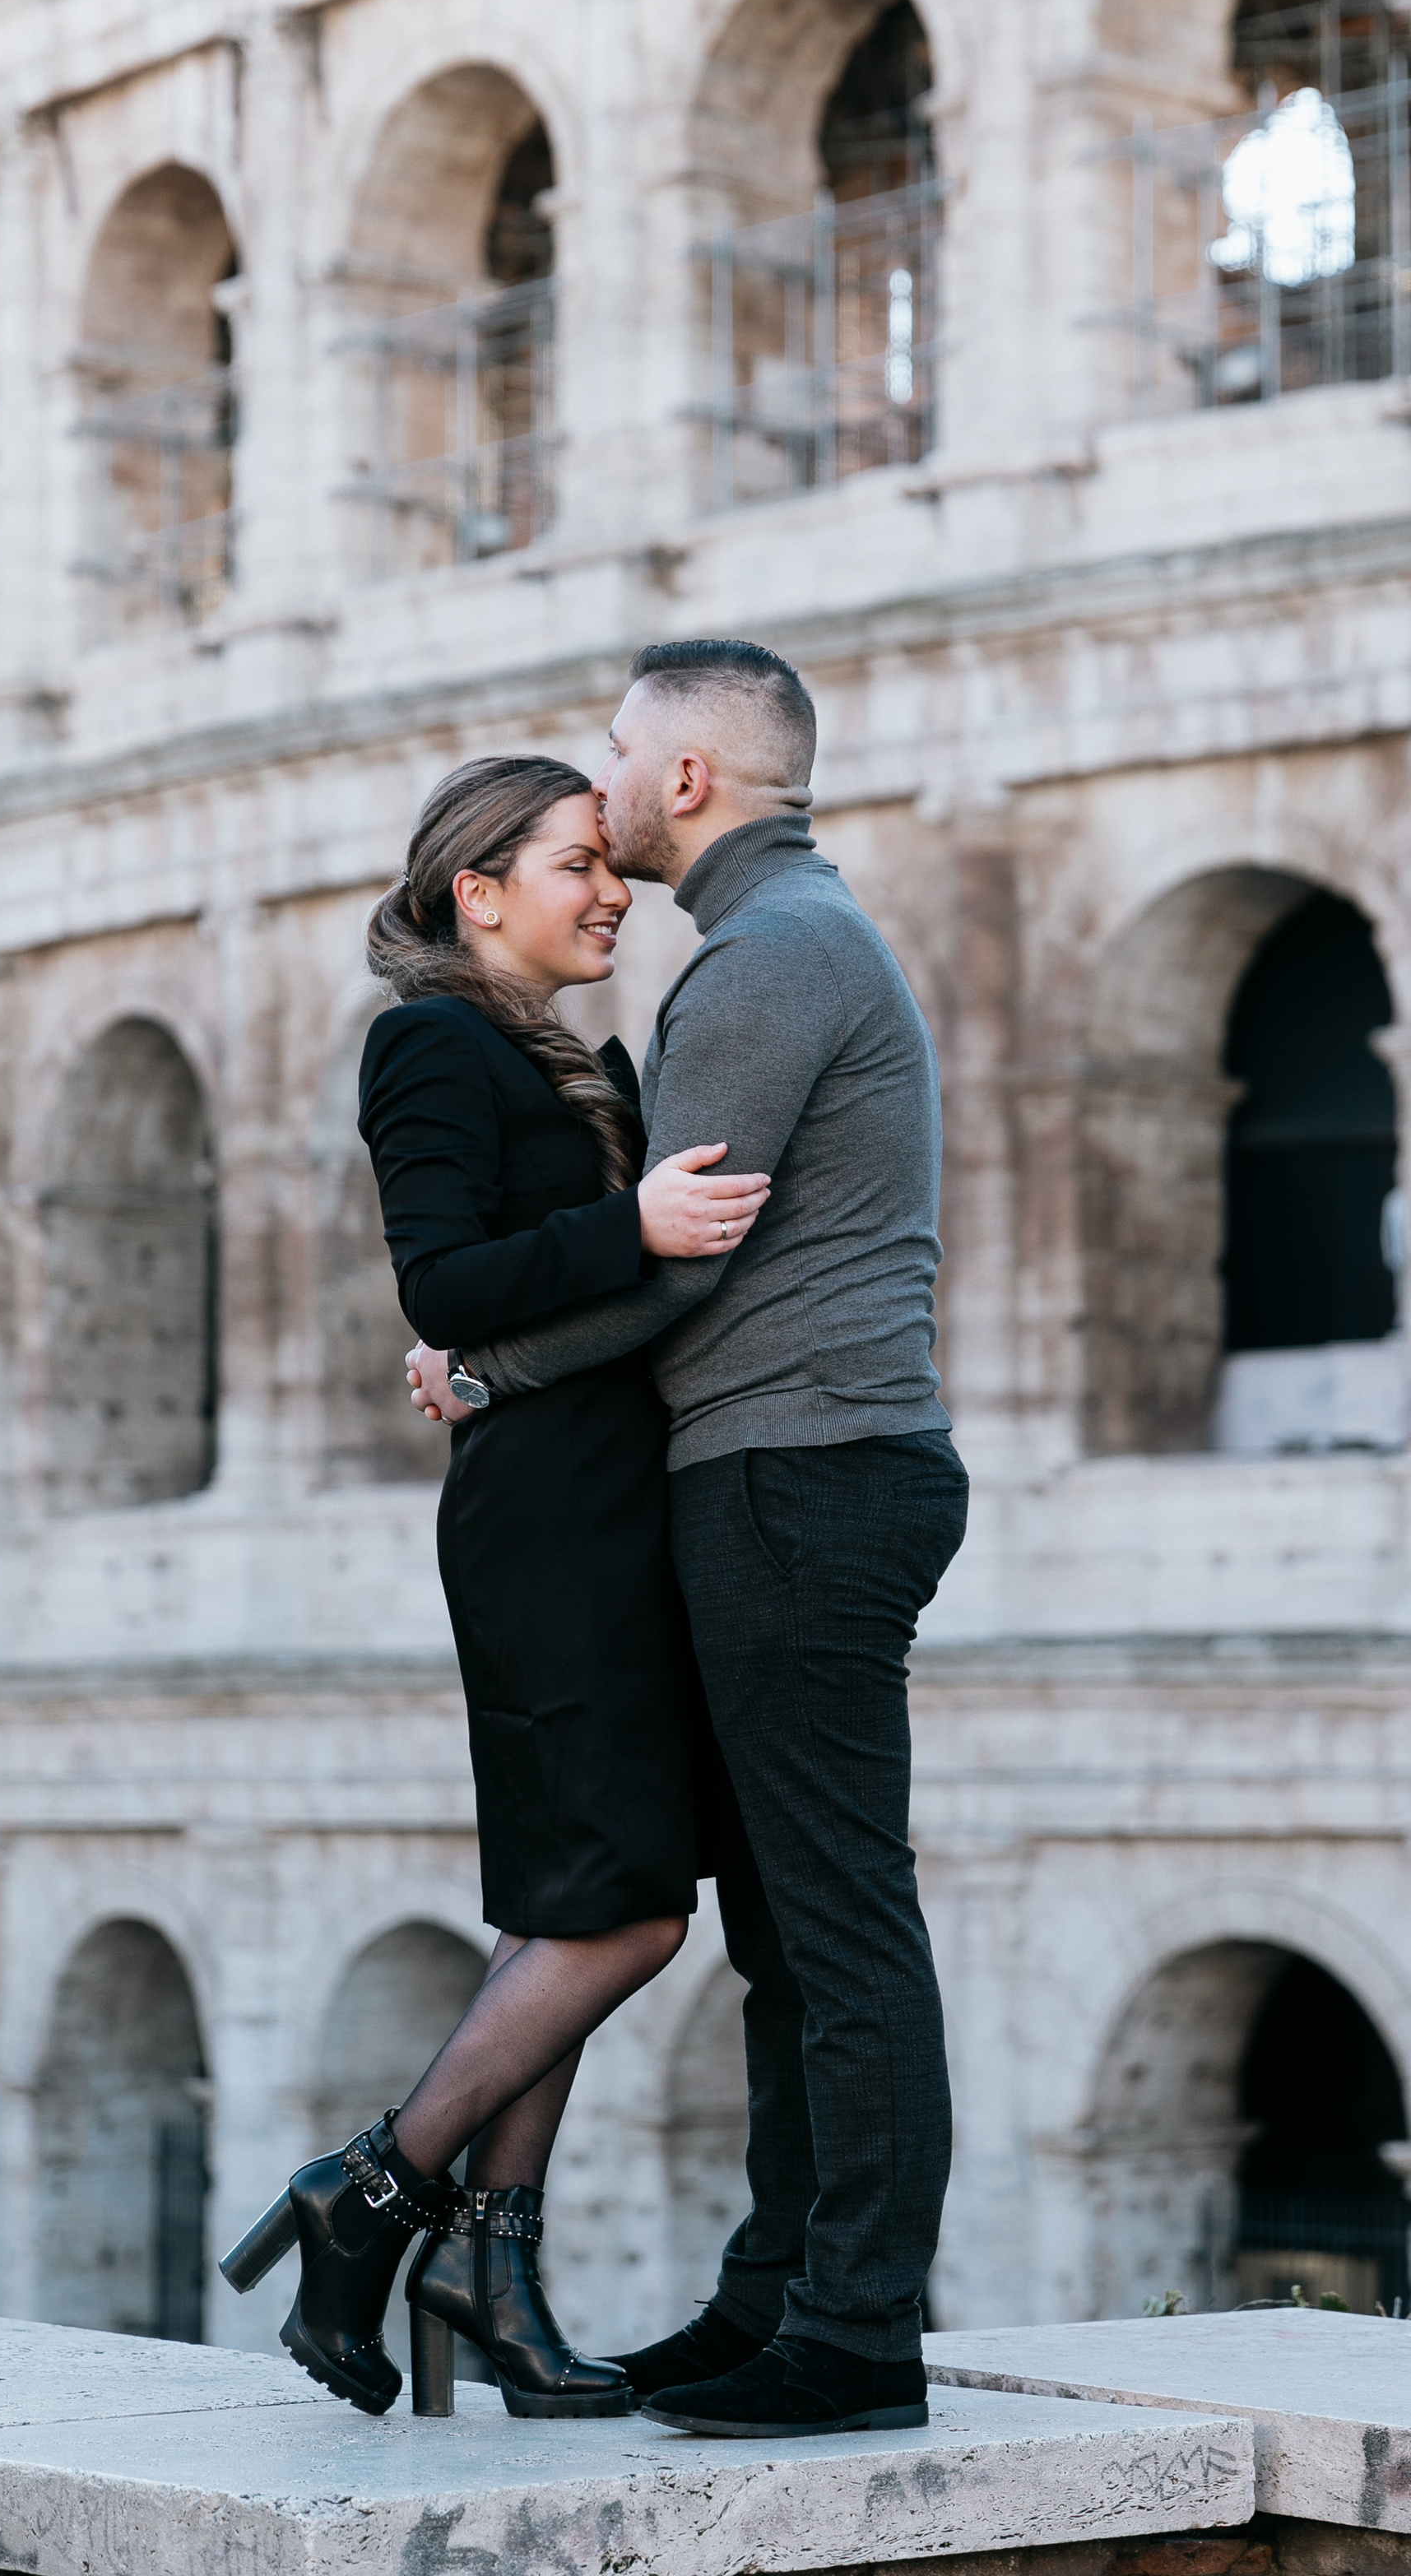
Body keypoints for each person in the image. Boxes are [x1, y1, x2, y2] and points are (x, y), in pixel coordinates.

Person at [406, 640, 968, 2441]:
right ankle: (772, 2304)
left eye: (622, 762)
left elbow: (679, 1261)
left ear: (690, 782)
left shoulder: (760, 966)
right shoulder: (792, 946)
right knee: (791, 1933)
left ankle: (855, 2330)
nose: (608, 787)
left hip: (796, 1475)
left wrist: (483, 1363)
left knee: (836, 1924)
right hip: (798, 1471)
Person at [220, 754, 770, 2421]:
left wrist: (522, 1332)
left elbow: (488, 1324)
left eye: (613, 867)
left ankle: (486, 2268)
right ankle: (378, 2187)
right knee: (629, 1908)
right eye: (574, 865)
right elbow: (440, 1273)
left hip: (608, 1500)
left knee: (572, 1898)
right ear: (477, 889)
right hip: (550, 1524)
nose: (613, 892)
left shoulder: (568, 1051)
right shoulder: (432, 1040)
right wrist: (640, 1231)